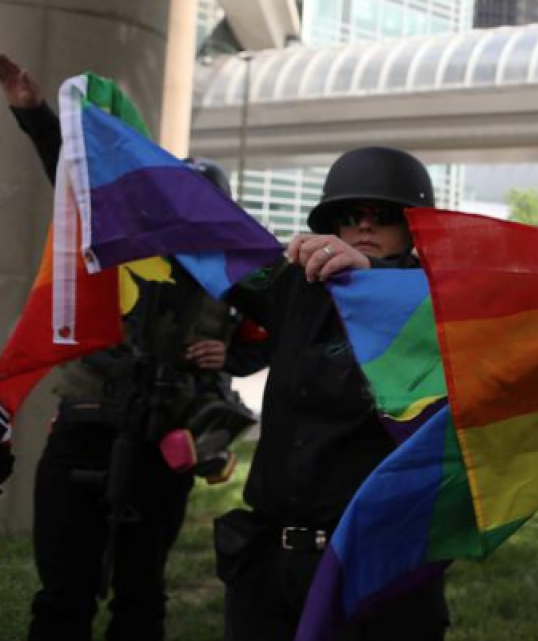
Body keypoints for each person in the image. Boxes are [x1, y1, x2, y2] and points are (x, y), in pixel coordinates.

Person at [0, 54, 268, 641]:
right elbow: (75, 176)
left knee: (140, 596)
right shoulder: (119, 244)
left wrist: (233, 358)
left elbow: (280, 327)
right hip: (82, 435)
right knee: (62, 596)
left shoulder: (230, 276)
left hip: (161, 446)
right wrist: (34, 113)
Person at [214, 146, 450, 641]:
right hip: (269, 569)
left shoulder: (439, 309)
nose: (364, 226)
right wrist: (61, 136)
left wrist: (377, 278)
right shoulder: (296, 290)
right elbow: (192, 230)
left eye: (382, 216)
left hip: (375, 571)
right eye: (349, 215)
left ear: (412, 229)